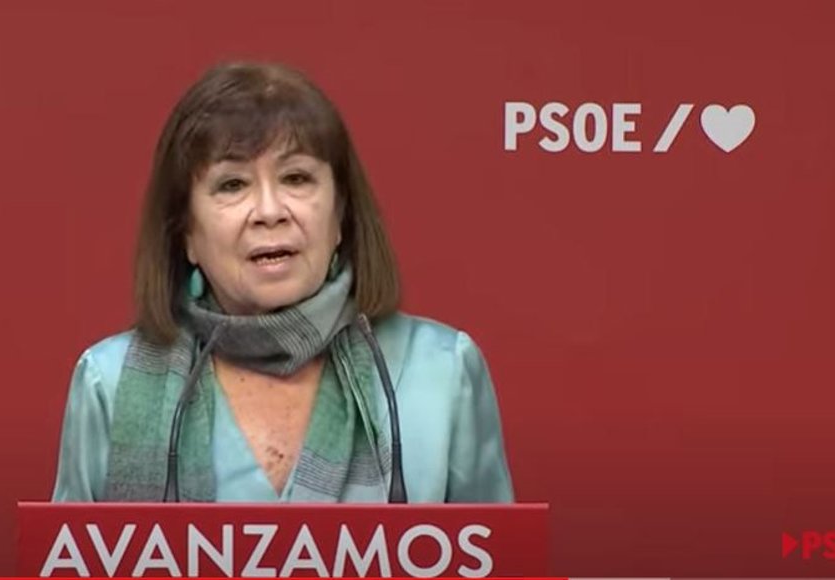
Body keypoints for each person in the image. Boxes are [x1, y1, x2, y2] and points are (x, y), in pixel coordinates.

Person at [52, 61, 514, 503]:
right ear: (186, 233)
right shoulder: (107, 382)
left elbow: (496, 552)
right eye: (232, 185)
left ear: (340, 216)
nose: (270, 211)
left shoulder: (443, 372)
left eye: (296, 178)